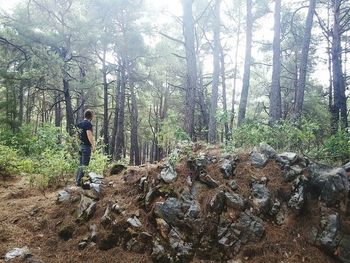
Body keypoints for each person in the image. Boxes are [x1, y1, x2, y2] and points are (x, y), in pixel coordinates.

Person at [76, 109, 96, 186]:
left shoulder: (79, 124)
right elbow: (89, 135)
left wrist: (79, 144)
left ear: (85, 115)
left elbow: (77, 136)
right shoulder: (88, 124)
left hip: (81, 147)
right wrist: (93, 145)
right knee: (84, 166)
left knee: (80, 165)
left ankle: (78, 181)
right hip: (86, 147)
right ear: (90, 116)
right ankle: (78, 183)